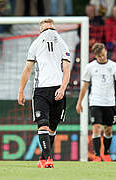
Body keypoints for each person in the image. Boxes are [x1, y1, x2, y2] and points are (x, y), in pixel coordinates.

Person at [17, 18, 70, 168]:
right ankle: (49, 159)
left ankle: (42, 159)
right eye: (47, 29)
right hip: (41, 90)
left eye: (50, 29)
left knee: (52, 128)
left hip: (58, 89)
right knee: (43, 124)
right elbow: (27, 69)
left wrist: (63, 88)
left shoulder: (59, 44)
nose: (49, 32)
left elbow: (66, 70)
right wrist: (21, 90)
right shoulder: (39, 44)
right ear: (41, 30)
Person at [76, 43, 116, 162]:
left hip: (110, 102)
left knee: (108, 129)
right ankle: (97, 155)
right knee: (96, 128)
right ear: (95, 56)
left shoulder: (114, 66)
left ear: (106, 52)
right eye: (99, 56)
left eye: (103, 55)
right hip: (95, 102)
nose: (102, 58)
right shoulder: (90, 67)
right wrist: (79, 102)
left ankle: (106, 153)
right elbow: (85, 86)